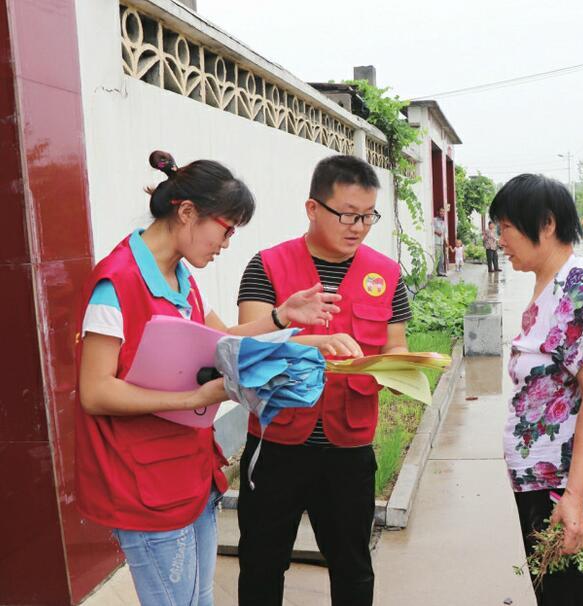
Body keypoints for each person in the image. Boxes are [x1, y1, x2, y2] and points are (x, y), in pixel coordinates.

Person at [76, 151, 340, 606]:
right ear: (186, 212)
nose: (226, 243)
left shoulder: (179, 277)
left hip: (190, 473)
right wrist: (193, 397)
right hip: (145, 485)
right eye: (226, 229)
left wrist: (283, 319)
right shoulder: (116, 283)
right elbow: (95, 391)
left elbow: (223, 341)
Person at [235, 154, 411, 606]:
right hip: (276, 444)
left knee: (353, 567)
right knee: (261, 562)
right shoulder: (268, 265)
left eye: (367, 216)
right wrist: (315, 343)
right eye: (347, 215)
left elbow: (395, 347)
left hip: (348, 449)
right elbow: (246, 352)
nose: (358, 226)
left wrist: (404, 368)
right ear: (313, 209)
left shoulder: (387, 275)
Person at [491, 174, 583, 605]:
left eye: (507, 228)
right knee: (570, 592)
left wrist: (573, 498)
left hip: (569, 482)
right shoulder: (551, 283)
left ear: (546, 224)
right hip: (546, 476)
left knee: (566, 595)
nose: (500, 241)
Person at [433, 212, 448, 276]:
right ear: (438, 211)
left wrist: (446, 240)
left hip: (441, 242)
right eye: (441, 211)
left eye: (443, 212)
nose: (442, 213)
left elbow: (445, 232)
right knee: (437, 257)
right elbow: (431, 228)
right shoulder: (434, 220)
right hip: (436, 241)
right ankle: (437, 272)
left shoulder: (444, 222)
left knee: (442, 257)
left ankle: (441, 272)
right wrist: (436, 232)